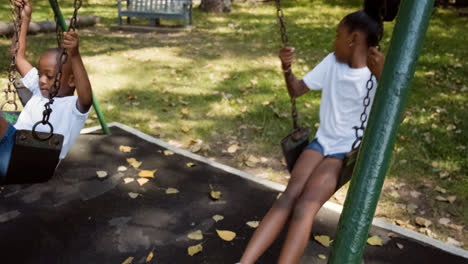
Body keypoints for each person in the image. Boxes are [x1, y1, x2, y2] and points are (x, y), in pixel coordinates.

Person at [239, 6, 395, 264]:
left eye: (337, 35)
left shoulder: (375, 74)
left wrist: (383, 77)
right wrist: (286, 69)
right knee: (288, 196)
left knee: (305, 206)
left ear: (353, 39)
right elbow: (297, 90)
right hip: (321, 144)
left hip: (343, 152)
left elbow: (395, 117)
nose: (334, 41)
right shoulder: (332, 62)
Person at [0, 0, 92, 181]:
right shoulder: (40, 89)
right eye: (40, 74)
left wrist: (74, 55)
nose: (41, 80)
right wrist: (24, 18)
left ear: (72, 80)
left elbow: (87, 97)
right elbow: (18, 57)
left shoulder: (74, 107)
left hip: (31, 163)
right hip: (11, 151)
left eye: (49, 76)